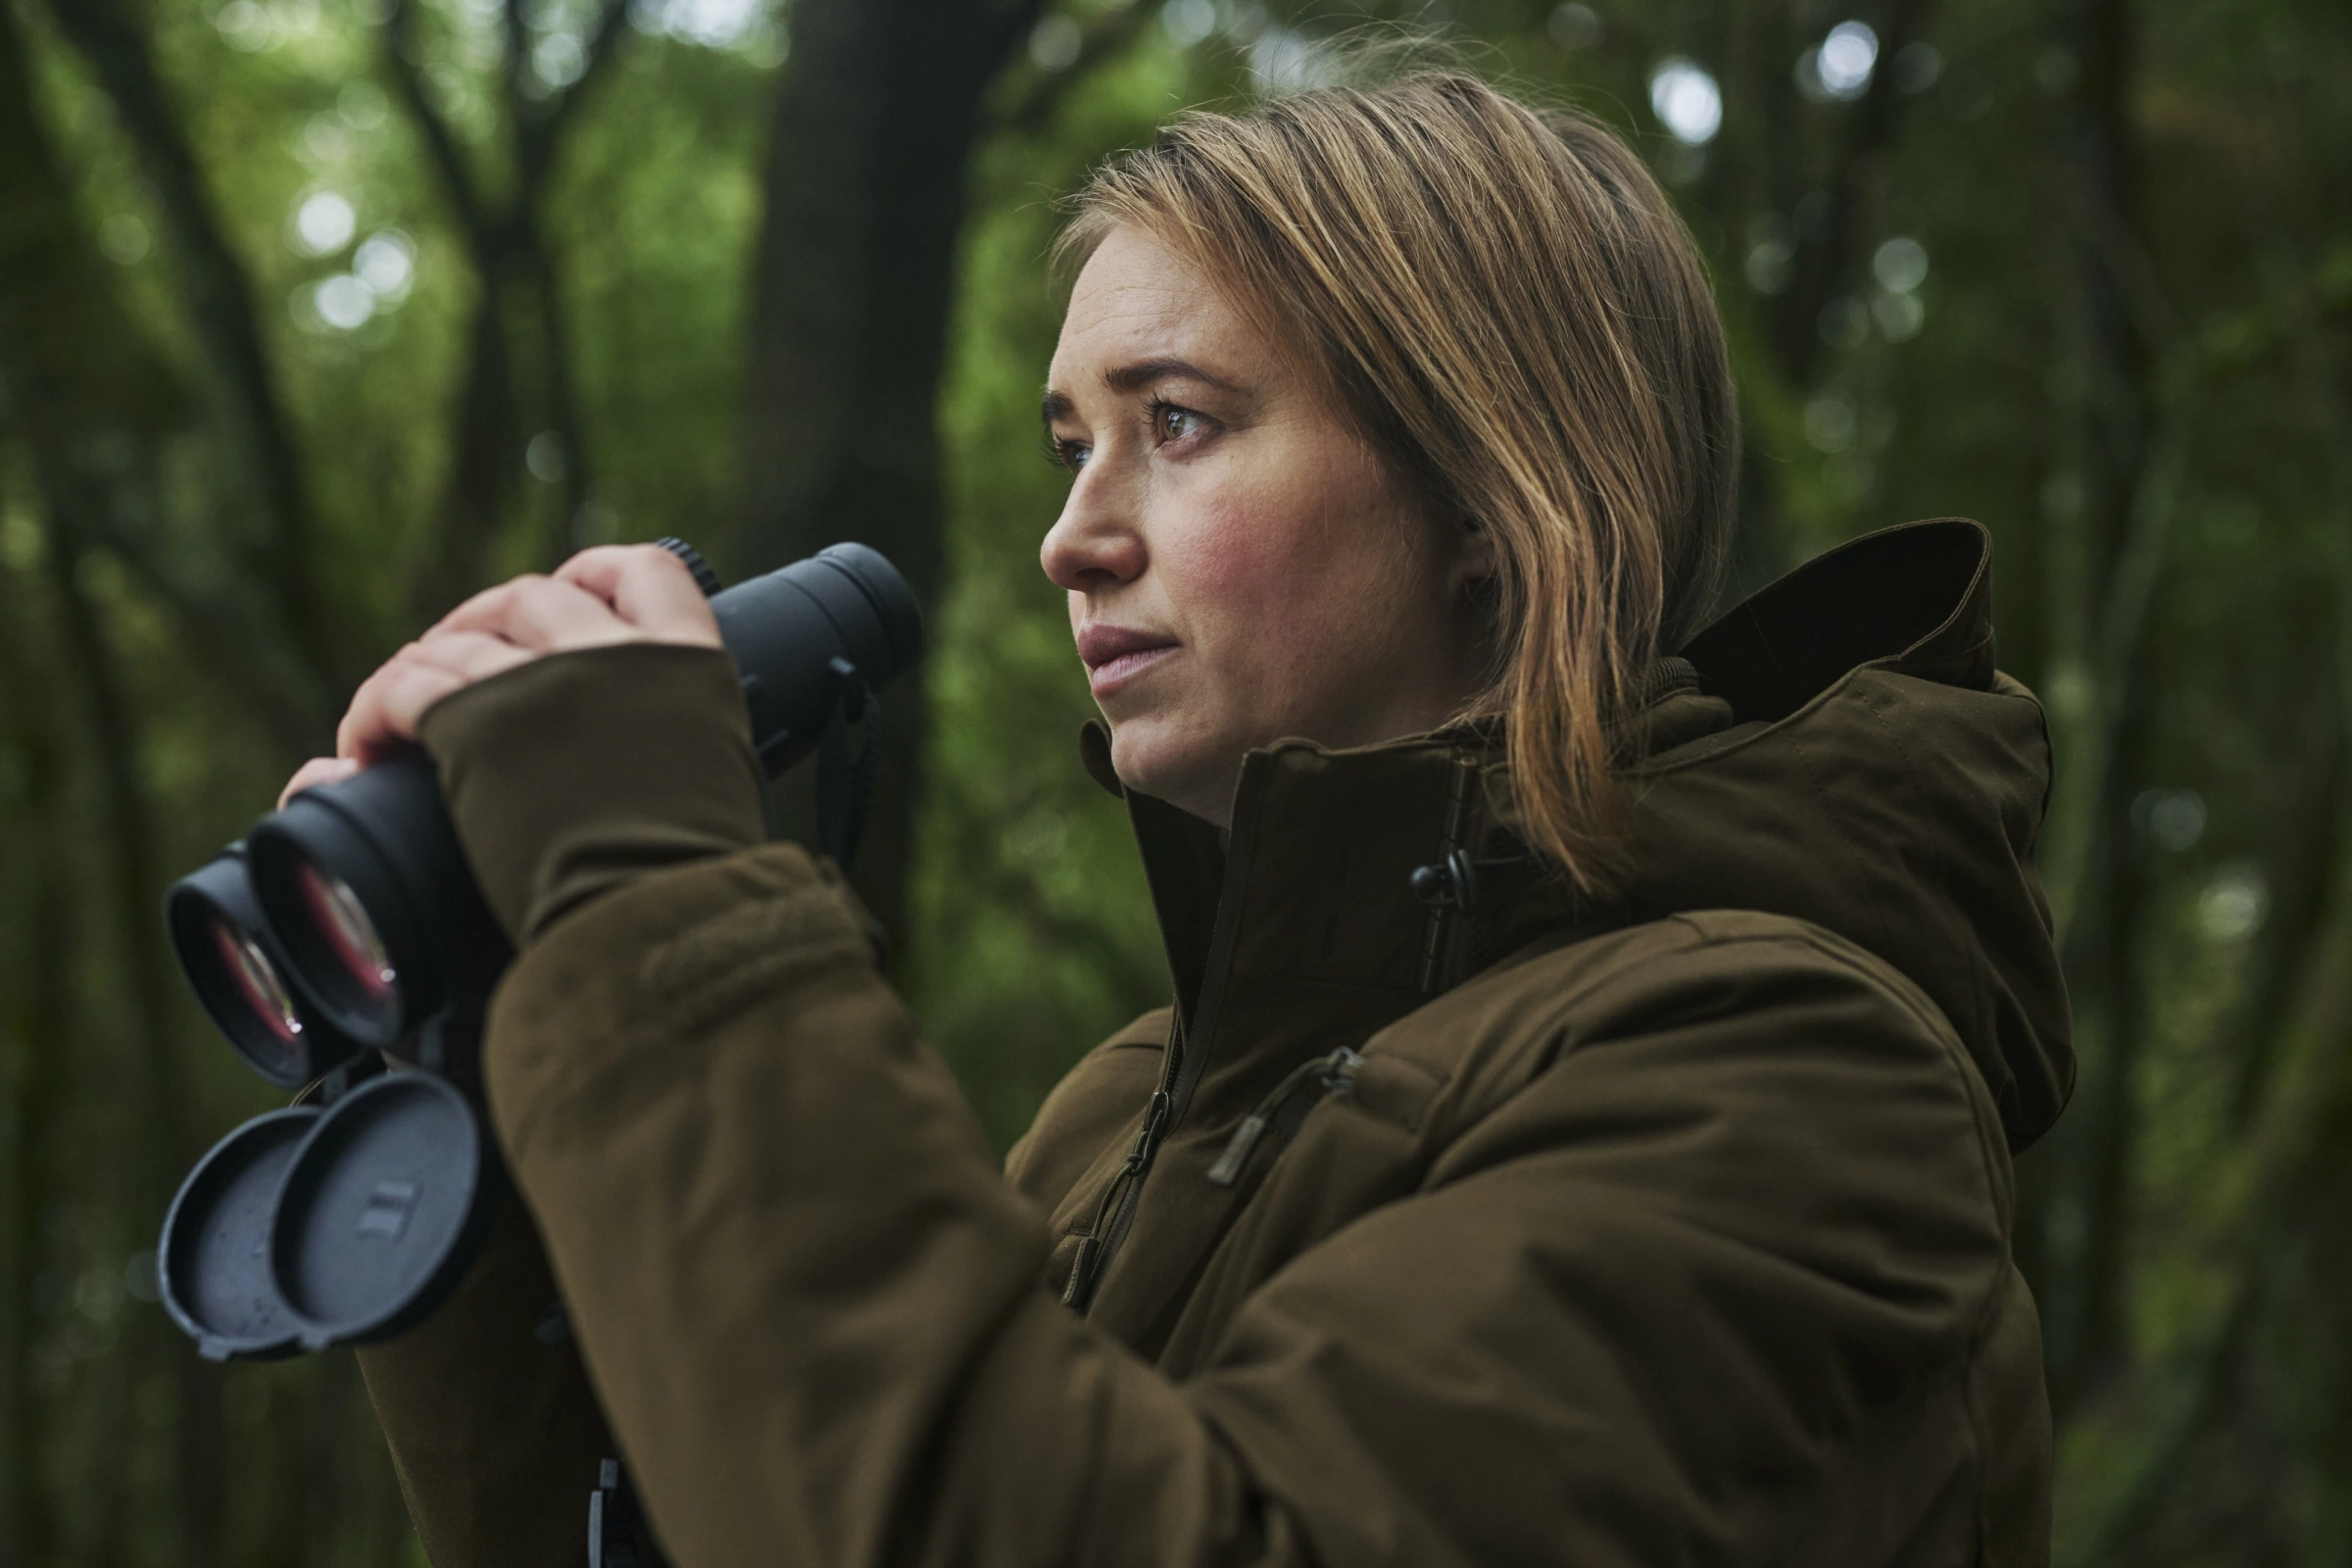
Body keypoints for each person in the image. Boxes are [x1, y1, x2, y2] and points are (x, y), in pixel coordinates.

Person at [293, 68, 2072, 1567]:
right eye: (1073, 442)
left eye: (1181, 423)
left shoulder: (1791, 1071)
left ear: (1491, 498)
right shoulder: (1125, 1110)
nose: (1071, 538)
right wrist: (489, 1085)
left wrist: (654, 893)